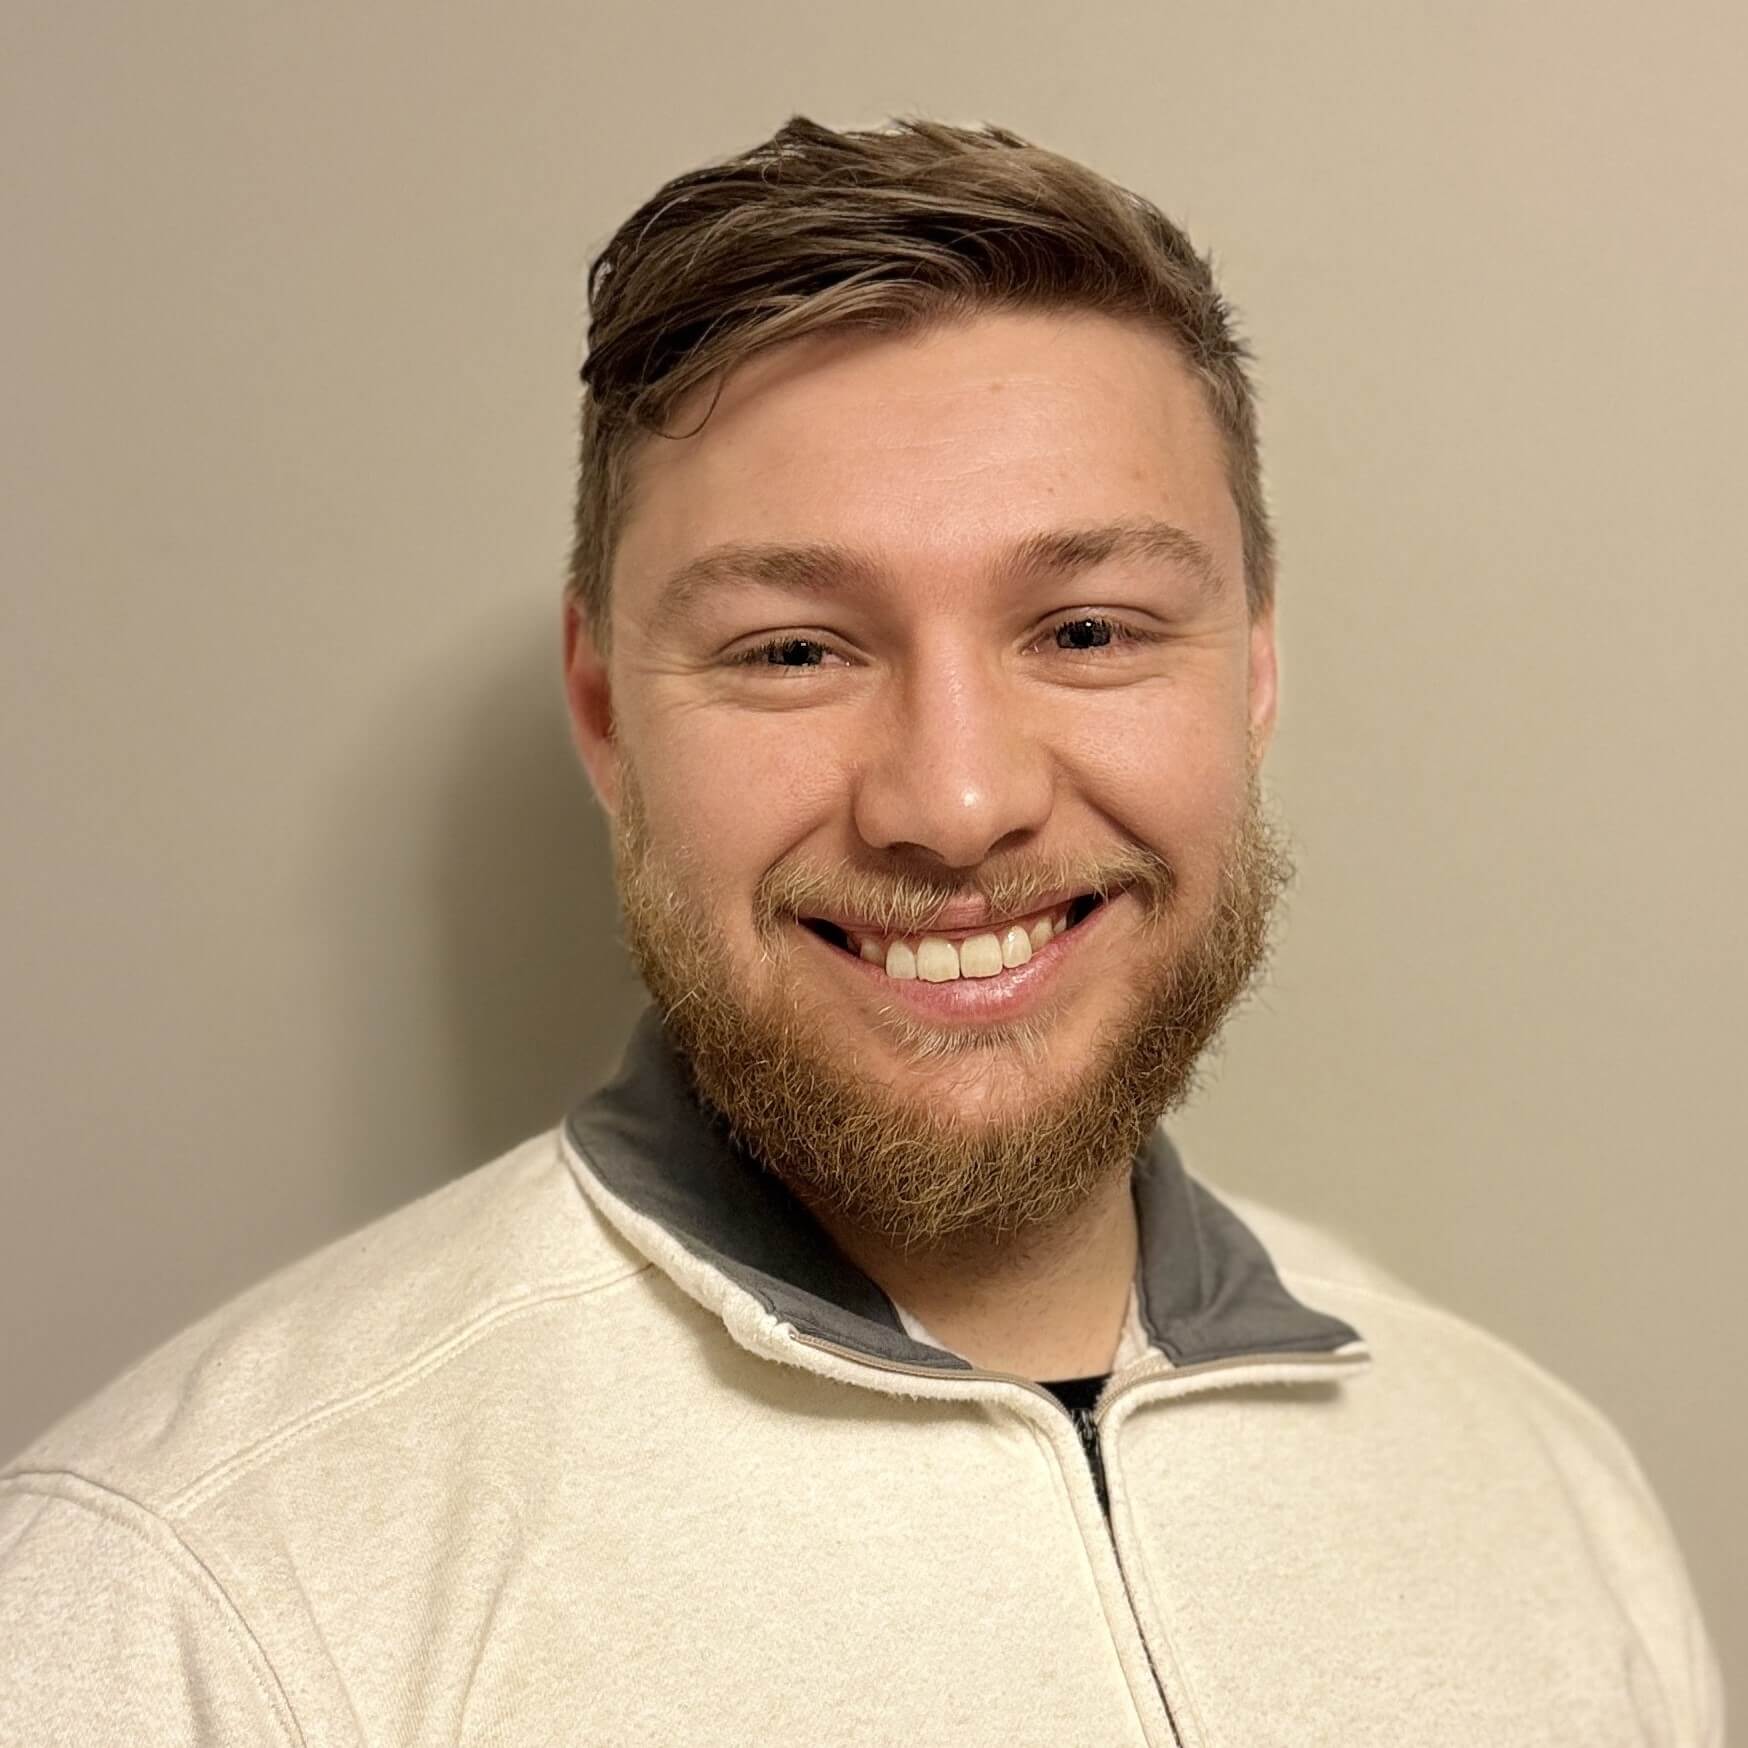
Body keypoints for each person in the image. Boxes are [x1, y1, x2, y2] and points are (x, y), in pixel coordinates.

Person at [0, 114, 1724, 1745]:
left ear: (1252, 670)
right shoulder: (184, 1594)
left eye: (1090, 630)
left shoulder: (1543, 1493)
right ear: (606, 714)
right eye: (793, 651)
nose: (954, 803)